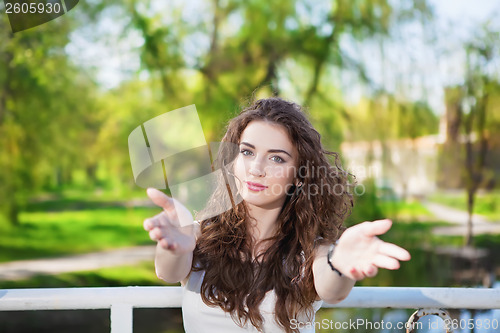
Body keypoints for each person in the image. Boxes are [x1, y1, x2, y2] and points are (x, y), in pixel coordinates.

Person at [143, 97, 411, 333]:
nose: (256, 169)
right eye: (247, 152)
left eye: (277, 158)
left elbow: (332, 289)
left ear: (298, 174)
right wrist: (174, 247)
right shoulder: (199, 235)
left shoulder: (313, 251)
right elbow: (168, 271)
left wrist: (340, 266)